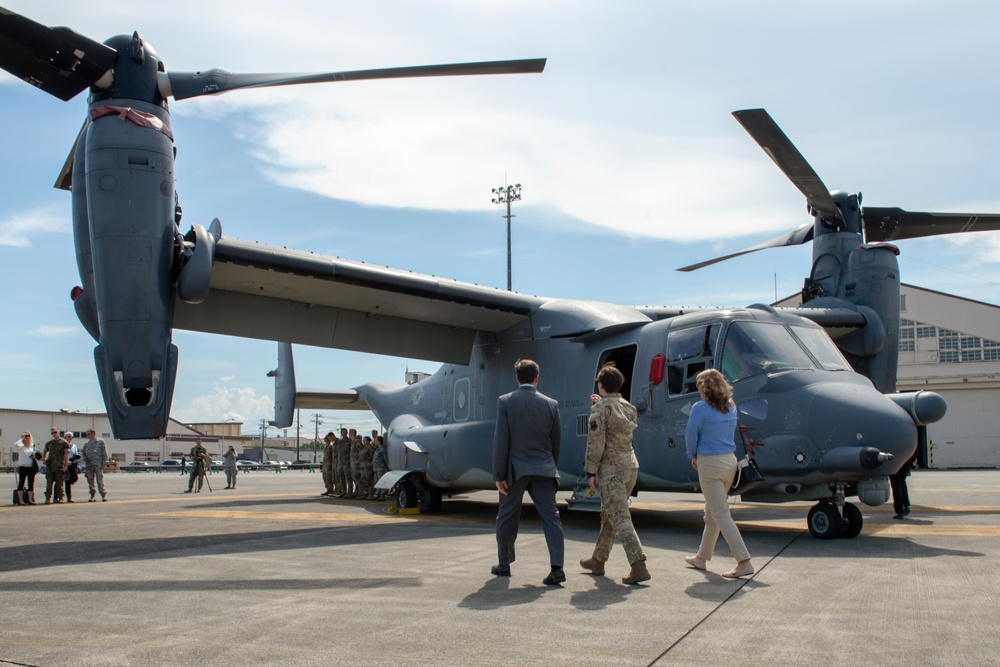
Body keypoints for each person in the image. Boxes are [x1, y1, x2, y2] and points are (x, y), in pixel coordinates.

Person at [491, 359, 565, 585]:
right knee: (551, 519)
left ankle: (504, 564)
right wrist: (550, 466)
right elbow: (556, 442)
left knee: (506, 517)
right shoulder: (551, 404)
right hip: (544, 468)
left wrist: (499, 475)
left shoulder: (505, 402)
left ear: (517, 378)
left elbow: (501, 441)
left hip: (515, 470)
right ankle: (557, 569)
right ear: (537, 378)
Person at [579, 364, 650, 584]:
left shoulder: (599, 410)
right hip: (630, 466)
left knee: (619, 517)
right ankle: (598, 560)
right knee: (610, 514)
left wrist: (591, 470)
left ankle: (638, 565)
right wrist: (604, 405)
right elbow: (617, 423)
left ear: (601, 385)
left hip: (611, 470)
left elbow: (596, 443)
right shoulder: (628, 407)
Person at [684, 368, 754, 578]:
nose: (697, 390)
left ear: (704, 387)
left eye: (698, 385)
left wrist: (693, 456)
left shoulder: (699, 408)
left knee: (720, 513)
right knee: (712, 512)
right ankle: (701, 558)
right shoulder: (730, 407)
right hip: (729, 462)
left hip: (710, 464)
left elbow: (690, 436)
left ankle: (744, 561)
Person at [81, 428, 110, 502]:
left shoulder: (100, 442)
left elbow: (104, 453)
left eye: (88, 434)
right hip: (89, 465)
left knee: (99, 480)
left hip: (98, 464)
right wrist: (85, 458)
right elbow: (83, 454)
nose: (87, 436)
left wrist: (104, 463)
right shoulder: (86, 444)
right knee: (90, 480)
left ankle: (103, 495)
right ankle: (92, 495)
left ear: (93, 433)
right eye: (86, 434)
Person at [43, 427, 70, 504]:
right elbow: (44, 451)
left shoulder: (64, 443)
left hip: (59, 466)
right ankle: (48, 498)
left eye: (55, 432)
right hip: (50, 466)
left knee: (59, 483)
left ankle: (61, 497)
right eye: (52, 433)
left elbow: (66, 454)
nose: (54, 434)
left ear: (58, 432)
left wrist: (65, 465)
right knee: (49, 483)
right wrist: (44, 459)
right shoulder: (49, 443)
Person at [890, 452, 916, 519]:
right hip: (908, 458)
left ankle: (899, 511)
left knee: (896, 484)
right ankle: (906, 505)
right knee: (902, 482)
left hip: (895, 459)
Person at [15, 432, 37, 505]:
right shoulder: (21, 446)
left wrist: (34, 456)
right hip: (23, 466)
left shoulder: (32, 445)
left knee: (31, 483)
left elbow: (35, 453)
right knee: (21, 482)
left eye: (28, 436)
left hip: (31, 466)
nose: (27, 437)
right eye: (25, 436)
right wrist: (22, 438)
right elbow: (16, 444)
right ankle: (21, 500)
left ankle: (30, 499)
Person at [335, 427, 352, 499]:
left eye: (344, 433)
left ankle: (350, 492)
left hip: (347, 462)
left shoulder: (350, 441)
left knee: (348, 478)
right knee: (341, 478)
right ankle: (343, 492)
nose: (343, 434)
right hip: (340, 463)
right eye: (342, 433)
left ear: (347, 433)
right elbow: (336, 452)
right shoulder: (339, 442)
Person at [64, 431, 80, 503]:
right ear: (65, 437)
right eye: (68, 436)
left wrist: (76, 463)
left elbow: (75, 455)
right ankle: (56, 497)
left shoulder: (74, 446)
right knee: (59, 481)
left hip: (71, 464)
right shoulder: (62, 444)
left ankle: (69, 497)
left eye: (71, 437)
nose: (70, 438)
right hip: (63, 463)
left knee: (68, 481)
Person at [372, 435, 389, 501]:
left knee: (381, 482)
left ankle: (382, 495)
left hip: (381, 468)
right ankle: (378, 494)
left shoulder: (382, 449)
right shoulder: (377, 449)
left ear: (379, 441)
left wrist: (387, 467)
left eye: (376, 440)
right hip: (376, 468)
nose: (374, 441)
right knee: (377, 481)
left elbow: (385, 459)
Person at [321, 431, 336, 496]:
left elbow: (332, 456)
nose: (326, 440)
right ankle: (328, 489)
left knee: (329, 478)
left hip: (329, 465)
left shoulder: (331, 447)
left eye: (327, 439)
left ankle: (331, 490)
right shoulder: (326, 447)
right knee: (325, 477)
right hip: (325, 465)